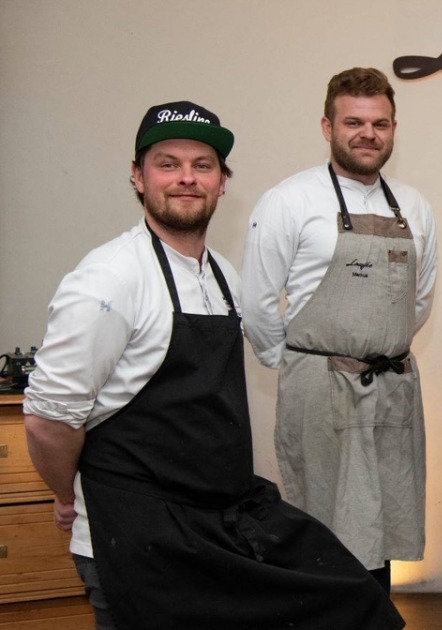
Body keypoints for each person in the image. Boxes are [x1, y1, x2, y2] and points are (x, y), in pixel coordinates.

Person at [23, 101, 404, 630]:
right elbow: (47, 421)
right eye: (168, 164)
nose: (187, 178)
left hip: (218, 522)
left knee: (355, 599)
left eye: (202, 165)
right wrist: (68, 496)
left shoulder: (222, 274)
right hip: (138, 537)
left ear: (222, 182)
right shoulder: (108, 279)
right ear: (138, 176)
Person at [241, 67, 437, 591]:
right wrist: (301, 363)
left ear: (393, 129)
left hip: (391, 388)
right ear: (328, 127)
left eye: (380, 124)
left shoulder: (414, 206)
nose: (368, 134)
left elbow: (418, 300)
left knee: (383, 523)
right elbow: (257, 304)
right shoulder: (289, 200)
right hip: (320, 390)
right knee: (325, 530)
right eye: (354, 122)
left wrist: (375, 345)